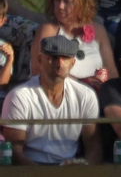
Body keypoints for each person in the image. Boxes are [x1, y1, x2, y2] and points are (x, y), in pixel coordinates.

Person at [0, 35, 101, 165]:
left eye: (65, 58)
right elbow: (14, 152)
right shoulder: (19, 96)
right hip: (30, 170)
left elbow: (93, 145)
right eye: (53, 58)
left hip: (70, 168)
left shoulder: (86, 95)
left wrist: (85, 170)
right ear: (40, 60)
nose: (59, 64)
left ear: (72, 63)